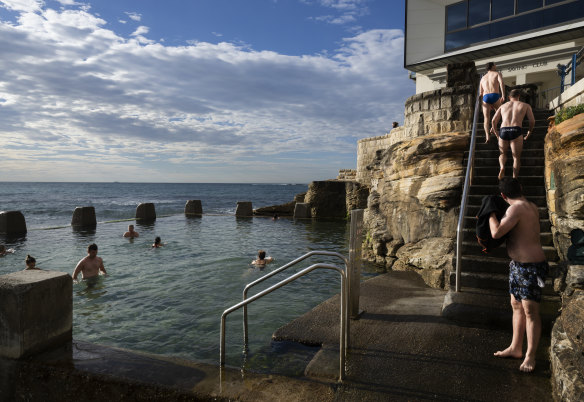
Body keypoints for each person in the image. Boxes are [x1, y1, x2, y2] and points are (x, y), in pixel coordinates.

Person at [489, 178, 548, 373]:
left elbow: (496, 233)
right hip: (517, 266)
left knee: (530, 311)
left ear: (503, 196)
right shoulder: (530, 205)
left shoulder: (516, 209)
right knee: (516, 306)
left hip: (531, 267)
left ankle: (530, 355)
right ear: (520, 188)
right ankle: (516, 347)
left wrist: (489, 213)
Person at [491, 89, 535, 180]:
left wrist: (496, 133)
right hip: (516, 130)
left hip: (503, 130)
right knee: (516, 157)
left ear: (509, 97)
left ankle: (502, 166)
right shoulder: (525, 105)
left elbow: (493, 120)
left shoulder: (503, 106)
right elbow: (532, 121)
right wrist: (529, 132)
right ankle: (514, 178)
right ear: (519, 96)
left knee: (502, 154)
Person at [480, 62, 505, 143]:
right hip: (495, 95)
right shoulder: (497, 73)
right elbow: (501, 83)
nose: (496, 66)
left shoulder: (483, 78)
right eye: (495, 65)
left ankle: (487, 136)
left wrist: (482, 100)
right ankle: (493, 128)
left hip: (485, 97)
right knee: (500, 113)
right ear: (492, 66)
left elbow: (480, 92)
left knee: (486, 118)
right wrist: (503, 95)